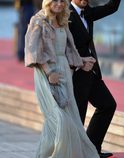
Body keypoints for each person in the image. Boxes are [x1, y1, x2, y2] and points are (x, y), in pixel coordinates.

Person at [24, 0, 99, 158]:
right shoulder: (38, 20)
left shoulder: (62, 20)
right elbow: (33, 49)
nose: (59, 4)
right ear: (48, 2)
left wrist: (82, 61)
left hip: (64, 71)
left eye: (62, 1)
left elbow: (67, 50)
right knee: (58, 118)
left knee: (68, 116)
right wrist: (49, 72)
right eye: (55, 0)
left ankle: (49, 154)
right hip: (47, 72)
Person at [68, 0, 121, 157]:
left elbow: (111, 7)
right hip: (76, 73)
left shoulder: (88, 12)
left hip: (92, 73)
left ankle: (91, 150)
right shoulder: (64, 14)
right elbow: (62, 46)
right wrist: (78, 62)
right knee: (78, 115)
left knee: (108, 105)